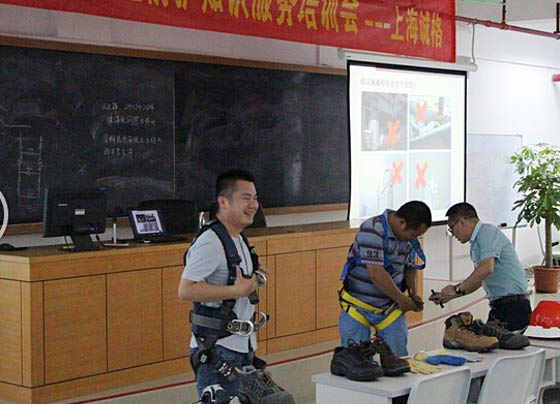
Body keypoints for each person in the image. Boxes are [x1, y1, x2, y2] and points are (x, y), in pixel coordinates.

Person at [178, 169, 262, 399]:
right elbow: (186, 290)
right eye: (246, 198)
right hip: (218, 351)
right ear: (223, 202)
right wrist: (235, 290)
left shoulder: (239, 238)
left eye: (255, 198)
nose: (253, 205)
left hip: (242, 347)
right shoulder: (211, 242)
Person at [338, 201, 432, 357]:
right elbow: (376, 273)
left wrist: (413, 294)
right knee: (355, 361)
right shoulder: (372, 229)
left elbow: (410, 268)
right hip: (357, 307)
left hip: (390, 309)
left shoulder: (408, 239)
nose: (414, 238)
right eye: (413, 234)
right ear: (402, 223)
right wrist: (402, 300)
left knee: (398, 361)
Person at [430, 202, 531, 332]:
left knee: (488, 342)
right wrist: (451, 294)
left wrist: (456, 289)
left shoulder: (486, 232)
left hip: (513, 307)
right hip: (502, 306)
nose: (453, 235)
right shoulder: (477, 241)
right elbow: (479, 279)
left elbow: (486, 269)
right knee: (486, 341)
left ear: (462, 222)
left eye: (451, 229)